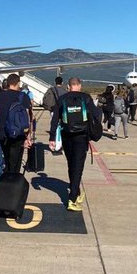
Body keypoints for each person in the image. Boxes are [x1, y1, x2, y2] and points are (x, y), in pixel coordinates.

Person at [49, 78, 100, 212]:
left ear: (68, 86)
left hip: (66, 136)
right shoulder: (86, 98)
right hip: (81, 136)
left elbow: (55, 119)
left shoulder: (62, 99)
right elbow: (96, 115)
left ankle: (76, 191)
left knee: (71, 164)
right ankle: (72, 199)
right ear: (80, 86)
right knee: (78, 166)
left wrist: (52, 137)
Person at [0, 73, 33, 173]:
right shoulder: (23, 97)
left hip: (3, 133)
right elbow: (27, 118)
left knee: (7, 158)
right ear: (18, 83)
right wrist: (28, 135)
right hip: (18, 134)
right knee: (16, 163)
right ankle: (13, 179)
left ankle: (7, 176)